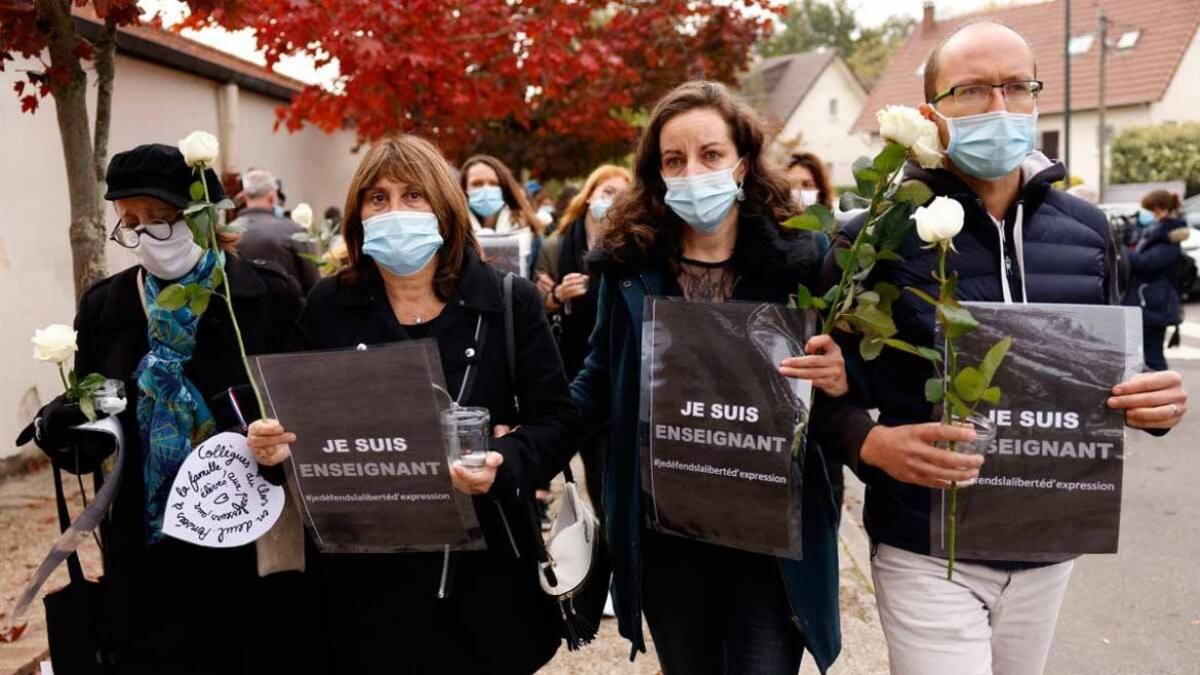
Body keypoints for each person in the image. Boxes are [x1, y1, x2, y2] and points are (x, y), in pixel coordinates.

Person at [828, 21, 1189, 675]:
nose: (1000, 106)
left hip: (1047, 539)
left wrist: (1154, 401)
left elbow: (1119, 367)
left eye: (1017, 87)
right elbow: (819, 385)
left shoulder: (1089, 231)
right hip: (926, 543)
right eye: (972, 90)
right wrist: (869, 441)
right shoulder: (872, 239)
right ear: (932, 114)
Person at [248, 135, 578, 674]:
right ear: (358, 215)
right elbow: (293, 420)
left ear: (443, 208)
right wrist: (269, 447)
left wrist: (506, 460)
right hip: (364, 584)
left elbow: (558, 421)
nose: (394, 210)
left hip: (483, 580)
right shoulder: (328, 304)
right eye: (378, 198)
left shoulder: (507, 301)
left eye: (413, 195)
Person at [570, 80, 853, 674]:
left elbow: (836, 394)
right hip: (669, 536)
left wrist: (837, 376)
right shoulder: (629, 268)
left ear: (743, 164)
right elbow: (597, 377)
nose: (693, 172)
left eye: (711, 154)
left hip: (768, 541)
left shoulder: (805, 263)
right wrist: (527, 440)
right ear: (657, 174)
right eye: (674, 160)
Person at [21, 143, 309, 673]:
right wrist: (64, 428)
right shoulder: (107, 306)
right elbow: (94, 439)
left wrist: (277, 444)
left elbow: (308, 415)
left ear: (200, 218)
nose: (145, 234)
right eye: (130, 221)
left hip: (247, 542)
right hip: (146, 549)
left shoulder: (264, 297)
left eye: (160, 218)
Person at [533, 163, 631, 540]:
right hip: (574, 369)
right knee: (596, 465)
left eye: (622, 195)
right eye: (607, 192)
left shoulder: (632, 247)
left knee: (617, 473)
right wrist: (558, 295)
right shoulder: (556, 247)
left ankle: (617, 541)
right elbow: (536, 305)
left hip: (620, 370)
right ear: (589, 196)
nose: (613, 202)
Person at [1124, 190, 1189, 370]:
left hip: (1154, 304)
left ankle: (1163, 388)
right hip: (1146, 302)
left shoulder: (1169, 239)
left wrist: (1122, 249)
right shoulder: (1151, 233)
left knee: (1153, 357)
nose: (1144, 214)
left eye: (1148, 210)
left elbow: (1146, 263)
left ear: (1160, 210)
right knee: (1141, 356)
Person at [232, 168, 321, 293]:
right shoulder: (294, 231)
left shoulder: (227, 234)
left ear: (244, 196)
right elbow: (313, 284)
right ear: (272, 197)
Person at [460, 155, 545, 278]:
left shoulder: (528, 230)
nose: (486, 189)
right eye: (477, 184)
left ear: (504, 188)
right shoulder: (453, 232)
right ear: (464, 189)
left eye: (493, 183)